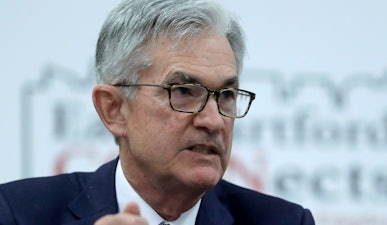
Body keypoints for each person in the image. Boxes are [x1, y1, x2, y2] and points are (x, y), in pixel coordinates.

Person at [0, 0, 315, 224]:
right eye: (183, 92)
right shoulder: (17, 213)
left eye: (227, 95)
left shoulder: (285, 220)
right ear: (114, 110)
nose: (214, 121)